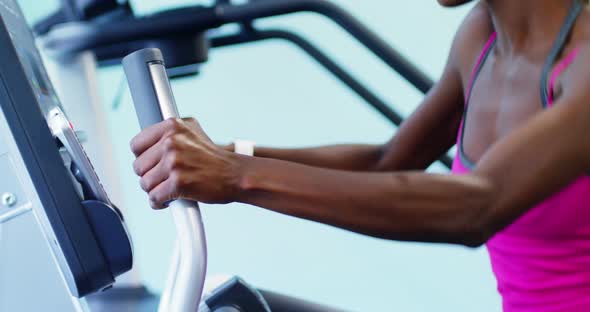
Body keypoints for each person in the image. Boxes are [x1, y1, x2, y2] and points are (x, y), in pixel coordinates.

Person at [129, 0, 590, 311]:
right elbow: (388, 162)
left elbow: (475, 206)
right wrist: (222, 154)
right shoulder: (481, 37)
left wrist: (234, 175)